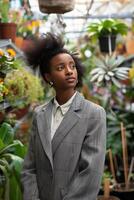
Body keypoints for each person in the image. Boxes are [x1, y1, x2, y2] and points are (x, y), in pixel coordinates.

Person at [21, 33, 106, 200]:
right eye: (60, 68)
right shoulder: (40, 114)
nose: (69, 71)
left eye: (72, 66)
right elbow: (29, 168)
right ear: (48, 77)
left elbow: (91, 174)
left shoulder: (94, 114)